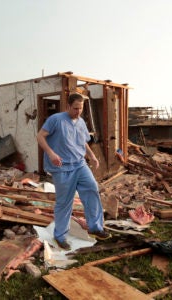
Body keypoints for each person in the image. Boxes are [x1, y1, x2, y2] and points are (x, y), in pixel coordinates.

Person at [37, 93, 111, 250]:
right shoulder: (56, 120)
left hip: (79, 164)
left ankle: (95, 227)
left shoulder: (81, 122)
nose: (78, 111)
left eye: (81, 108)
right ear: (68, 106)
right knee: (65, 202)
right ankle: (60, 236)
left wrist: (92, 156)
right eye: (75, 108)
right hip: (62, 167)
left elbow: (82, 142)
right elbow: (40, 136)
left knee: (92, 189)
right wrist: (51, 153)